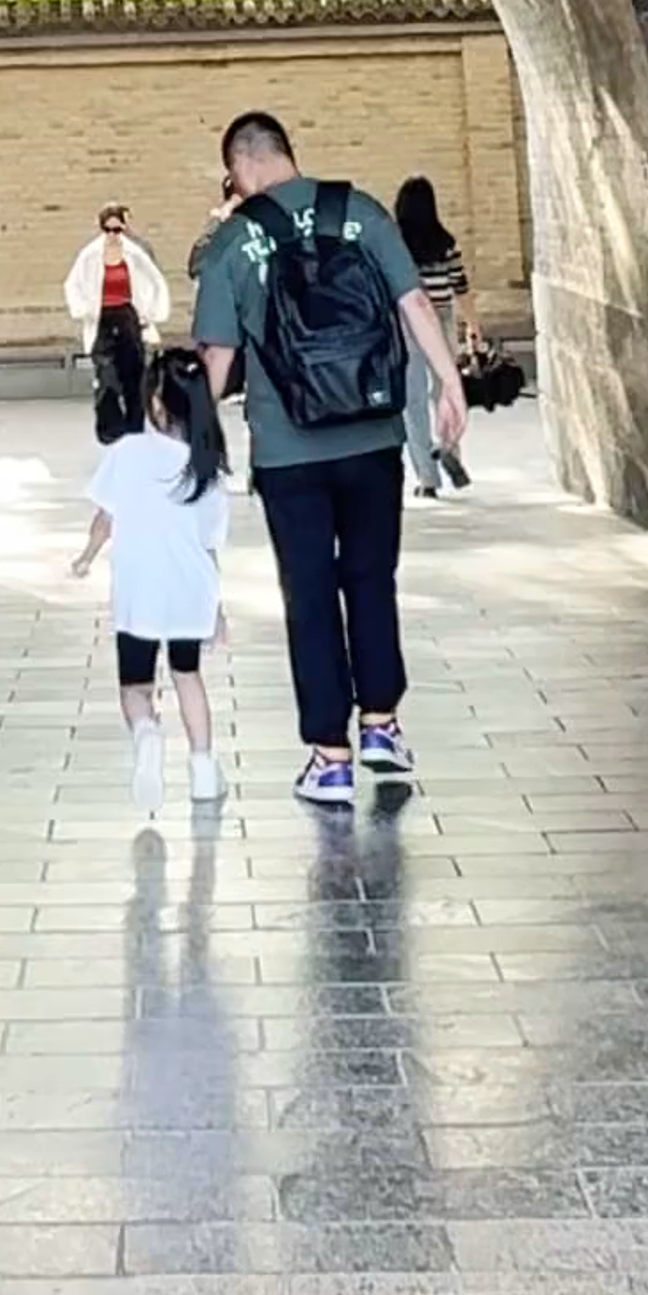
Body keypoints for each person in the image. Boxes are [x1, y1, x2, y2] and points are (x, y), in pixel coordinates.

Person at [193, 107, 463, 808]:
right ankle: (381, 723)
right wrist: (449, 383)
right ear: (287, 153)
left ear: (244, 166)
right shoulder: (362, 212)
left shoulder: (233, 240)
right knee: (372, 577)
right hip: (373, 437)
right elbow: (416, 304)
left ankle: (330, 757)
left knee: (309, 594)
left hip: (288, 451)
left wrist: (190, 444)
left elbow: (217, 356)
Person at [68, 340, 231, 822]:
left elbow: (105, 519)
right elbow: (209, 548)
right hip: (189, 594)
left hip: (139, 593)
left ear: (155, 403)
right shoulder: (207, 469)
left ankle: (146, 734)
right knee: (188, 677)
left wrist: (85, 558)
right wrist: (217, 610)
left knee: (135, 687)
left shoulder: (127, 452)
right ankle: (203, 771)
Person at [393, 173, 477, 496]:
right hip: (441, 319)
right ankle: (450, 449)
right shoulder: (446, 243)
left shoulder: (396, 247)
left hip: (408, 322)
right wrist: (473, 326)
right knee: (447, 392)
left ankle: (427, 479)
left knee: (412, 401)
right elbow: (461, 286)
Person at [61, 198, 170, 444]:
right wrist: (82, 309)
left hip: (128, 315)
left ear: (124, 228)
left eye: (117, 229)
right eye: (107, 229)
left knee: (134, 376)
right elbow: (73, 284)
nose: (112, 235)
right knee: (107, 376)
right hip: (101, 318)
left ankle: (135, 431)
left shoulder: (134, 253)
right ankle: (111, 431)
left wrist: (151, 312)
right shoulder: (90, 255)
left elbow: (155, 281)